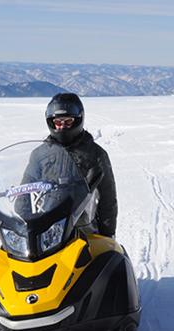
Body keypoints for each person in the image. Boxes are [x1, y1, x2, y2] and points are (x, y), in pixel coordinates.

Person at [36, 92, 117, 238]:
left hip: (82, 228)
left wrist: (108, 234)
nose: (62, 127)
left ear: (78, 120)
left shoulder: (96, 155)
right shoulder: (40, 155)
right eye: (58, 122)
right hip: (46, 227)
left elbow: (108, 199)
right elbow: (24, 189)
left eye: (68, 122)